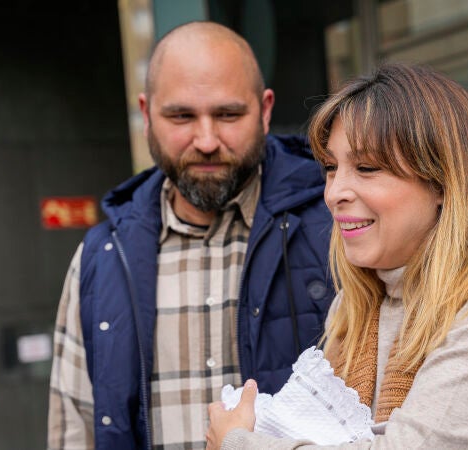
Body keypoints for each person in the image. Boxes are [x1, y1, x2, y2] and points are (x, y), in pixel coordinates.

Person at [206, 63, 468, 449]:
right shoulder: (356, 305)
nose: (334, 192)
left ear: (444, 181)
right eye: (331, 167)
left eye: (366, 167)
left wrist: (238, 443)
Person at [47, 22, 335, 450]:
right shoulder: (101, 258)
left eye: (228, 115)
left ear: (265, 110)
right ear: (146, 114)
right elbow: (75, 429)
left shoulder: (336, 228)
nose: (206, 140)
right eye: (181, 116)